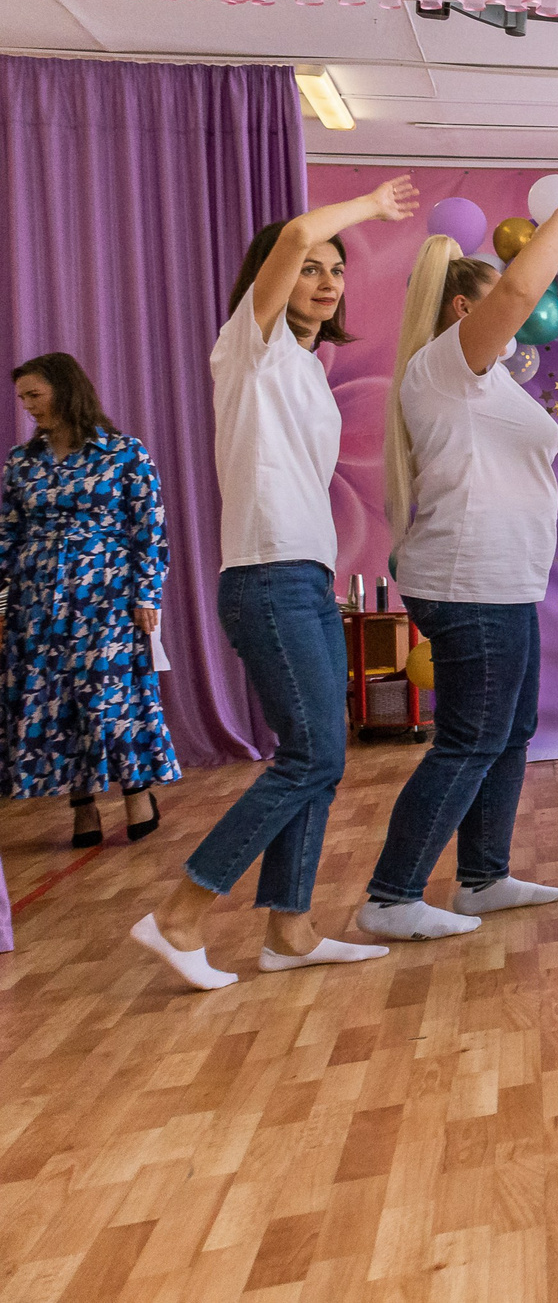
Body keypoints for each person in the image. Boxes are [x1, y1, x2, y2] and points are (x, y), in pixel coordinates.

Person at [130, 179, 420, 991]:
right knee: (309, 757)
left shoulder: (302, 364)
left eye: (336, 271)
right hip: (265, 576)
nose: (327, 280)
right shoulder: (246, 344)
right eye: (310, 269)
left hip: (303, 575)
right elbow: (294, 232)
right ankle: (181, 914)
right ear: (271, 279)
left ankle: (289, 930)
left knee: (322, 760)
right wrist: (365, 207)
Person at [354, 169, 558, 940]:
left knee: (510, 729)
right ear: (466, 309)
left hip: (502, 580)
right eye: (493, 305)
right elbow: (520, 296)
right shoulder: (446, 365)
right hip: (470, 581)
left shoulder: (486, 381)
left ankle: (482, 877)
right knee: (470, 738)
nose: (516, 322)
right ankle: (390, 896)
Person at [1, 353, 179, 845]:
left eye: (34, 394)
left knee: (110, 700)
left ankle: (136, 793)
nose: (28, 406)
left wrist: (148, 593)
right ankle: (83, 806)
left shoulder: (123, 453)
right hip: (36, 607)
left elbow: (149, 529)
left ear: (65, 390)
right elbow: (7, 538)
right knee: (58, 706)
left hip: (108, 602)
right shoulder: (22, 462)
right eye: (23, 398)